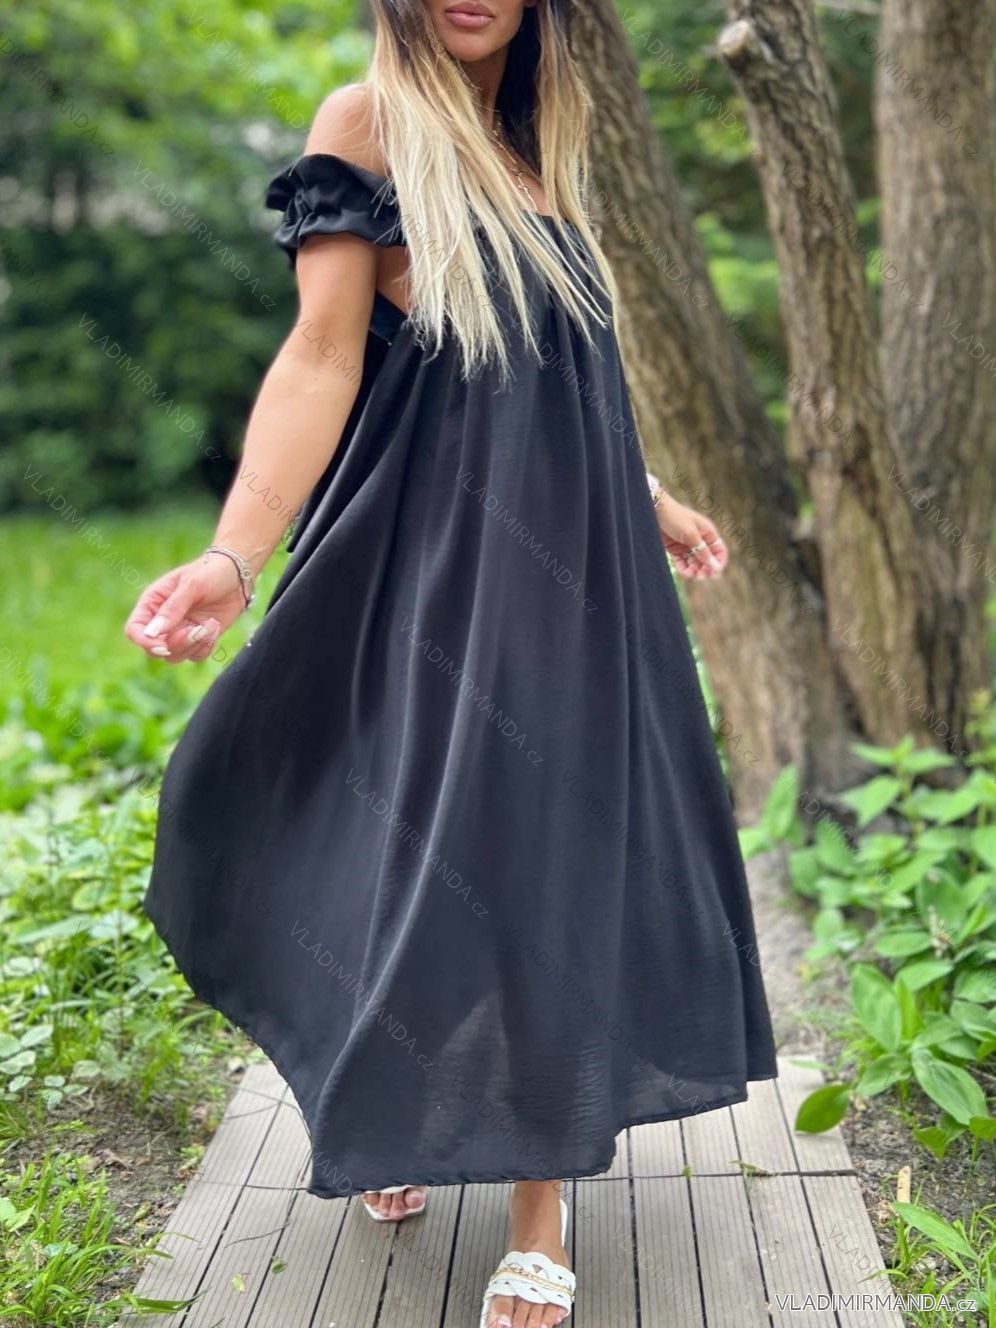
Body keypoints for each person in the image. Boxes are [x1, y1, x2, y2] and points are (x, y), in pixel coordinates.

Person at [125, 0, 778, 1322]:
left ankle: (541, 1205)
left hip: (573, 580)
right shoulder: (367, 125)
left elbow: (552, 373)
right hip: (426, 562)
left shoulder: (543, 145)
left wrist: (648, 494)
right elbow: (322, 357)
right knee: (400, 830)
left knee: (543, 848)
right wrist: (235, 557)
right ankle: (391, 1106)